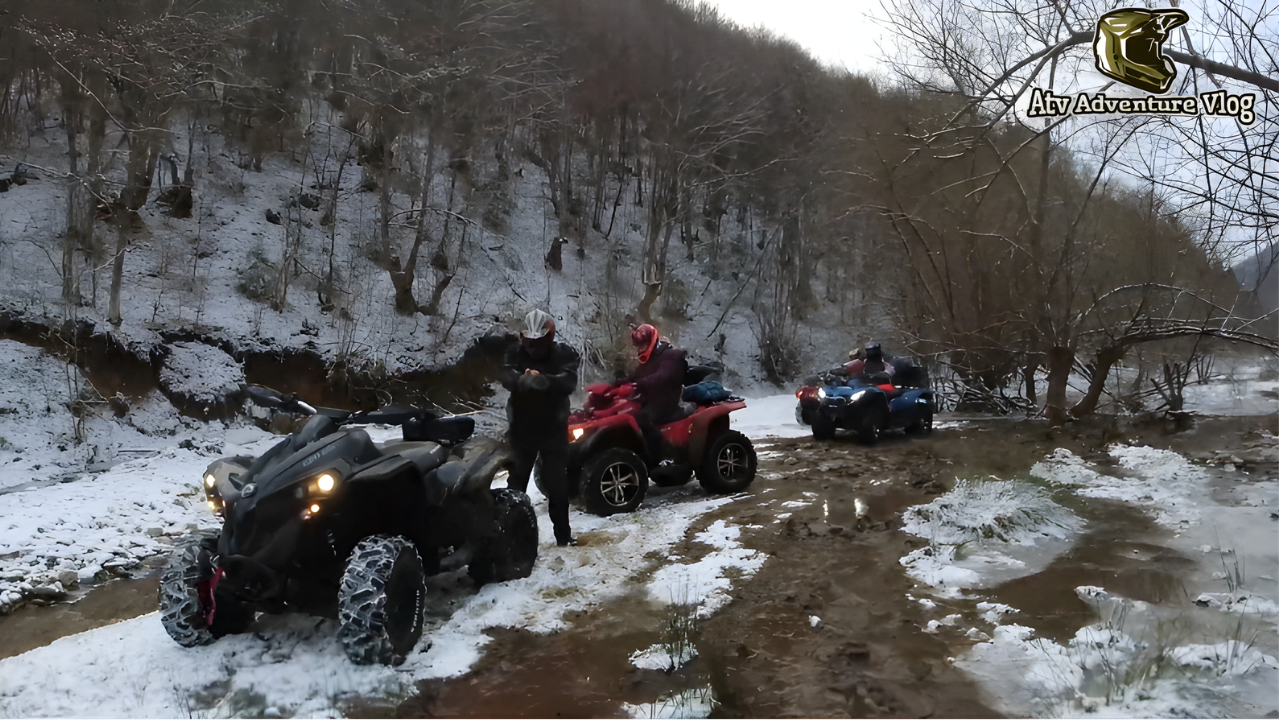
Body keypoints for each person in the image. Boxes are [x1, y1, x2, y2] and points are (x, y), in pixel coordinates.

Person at [499, 309, 581, 547]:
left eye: (539, 342)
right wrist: (521, 379)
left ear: (550, 336)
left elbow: (569, 381)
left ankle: (563, 537)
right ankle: (510, 538)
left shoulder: (563, 353)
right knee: (516, 485)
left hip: (553, 430)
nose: (534, 347)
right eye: (530, 342)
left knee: (557, 486)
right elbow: (504, 374)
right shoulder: (514, 352)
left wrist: (544, 380)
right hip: (522, 430)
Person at [624, 323, 688, 461]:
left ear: (651, 341)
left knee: (642, 418)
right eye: (638, 346)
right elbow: (635, 378)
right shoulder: (647, 361)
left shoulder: (671, 356)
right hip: (649, 401)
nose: (640, 349)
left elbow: (663, 376)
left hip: (665, 403)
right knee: (626, 412)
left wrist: (638, 384)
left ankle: (664, 455)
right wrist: (618, 384)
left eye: (643, 344)